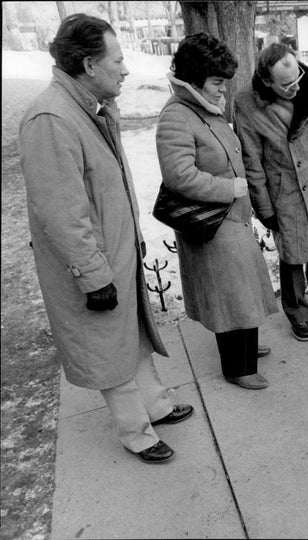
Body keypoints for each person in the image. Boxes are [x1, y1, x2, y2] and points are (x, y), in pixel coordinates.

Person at [19, 13, 192, 465]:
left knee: (128, 335)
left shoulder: (87, 108)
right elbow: (62, 214)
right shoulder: (51, 118)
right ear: (90, 65)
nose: (126, 68)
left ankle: (155, 405)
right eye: (117, 59)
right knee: (105, 345)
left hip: (115, 253)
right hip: (91, 266)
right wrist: (94, 277)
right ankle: (136, 432)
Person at [155, 33, 279, 391]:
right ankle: (238, 367)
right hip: (213, 222)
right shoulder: (177, 116)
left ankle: (248, 347)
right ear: (194, 80)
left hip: (230, 218)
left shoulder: (201, 108)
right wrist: (229, 189)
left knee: (243, 290)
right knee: (231, 296)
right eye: (216, 82)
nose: (222, 90)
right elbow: (179, 175)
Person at [234, 43, 308, 342]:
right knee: (292, 255)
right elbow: (252, 161)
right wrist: (264, 206)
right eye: (286, 85)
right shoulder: (246, 102)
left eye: (297, 78)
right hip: (285, 188)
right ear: (266, 81)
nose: (296, 87)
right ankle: (297, 312)